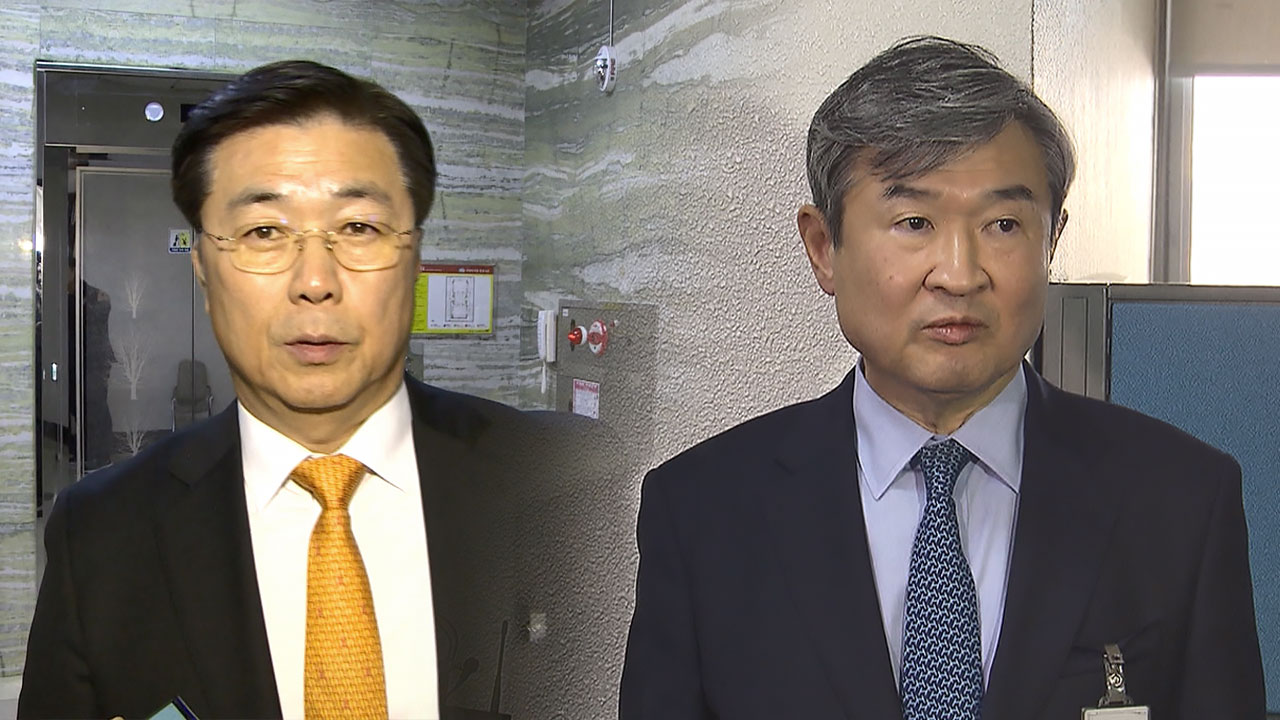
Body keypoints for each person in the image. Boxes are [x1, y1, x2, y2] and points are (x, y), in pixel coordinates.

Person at [619, 36, 1264, 719]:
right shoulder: (702, 513)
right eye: (914, 222)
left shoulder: (1181, 500)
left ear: (1051, 241)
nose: (959, 274)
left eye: (1004, 224)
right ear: (824, 247)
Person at [20, 60, 574, 720]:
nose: (315, 281)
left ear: (415, 257)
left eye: (359, 228)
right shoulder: (101, 536)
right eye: (264, 232)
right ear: (204, 269)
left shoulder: (567, 484)